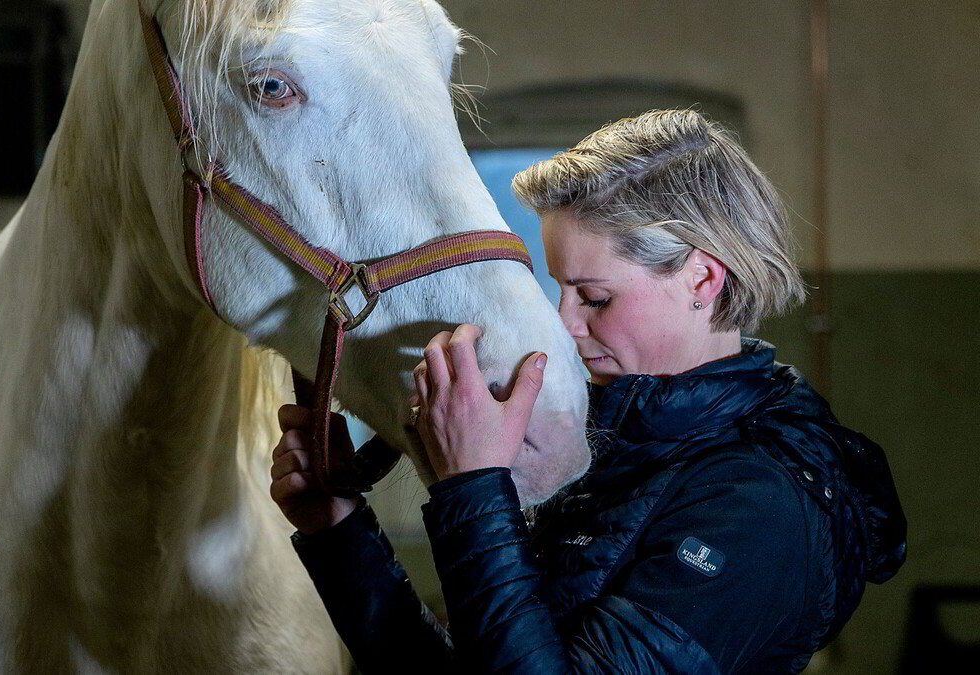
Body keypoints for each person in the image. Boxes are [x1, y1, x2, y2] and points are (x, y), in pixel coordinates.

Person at [268, 109, 906, 673]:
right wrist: (340, 531)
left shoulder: (761, 504)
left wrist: (474, 487)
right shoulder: (617, 446)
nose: (567, 323)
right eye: (561, 289)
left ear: (703, 279)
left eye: (595, 296)